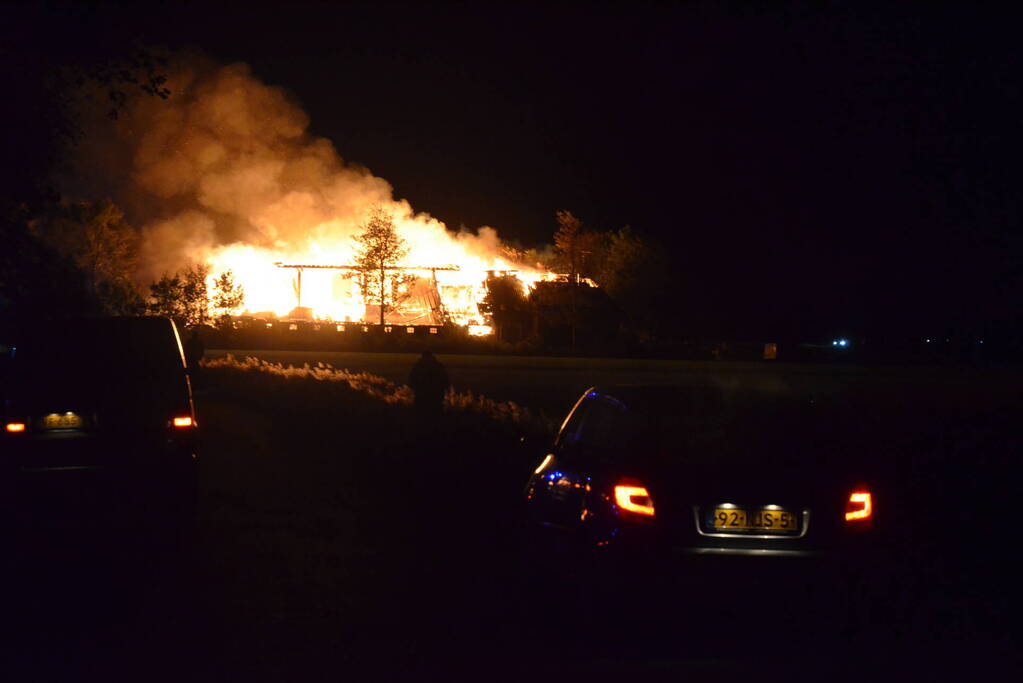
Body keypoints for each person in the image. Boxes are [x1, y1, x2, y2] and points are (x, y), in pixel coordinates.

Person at [408, 350, 449, 416]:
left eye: (428, 358)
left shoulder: (437, 366)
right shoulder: (418, 366)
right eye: (426, 358)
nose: (427, 360)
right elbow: (412, 379)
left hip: (434, 396)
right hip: (423, 396)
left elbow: (445, 379)